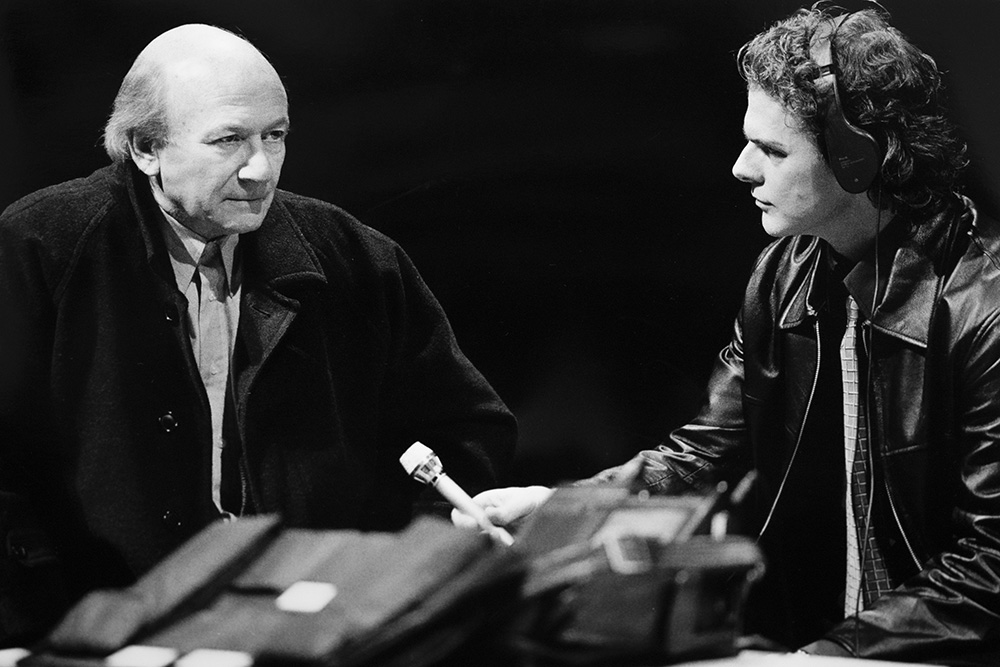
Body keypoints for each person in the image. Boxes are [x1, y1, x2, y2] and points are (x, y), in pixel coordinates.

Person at [455, 5, 1000, 663]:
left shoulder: (986, 310)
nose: (743, 168)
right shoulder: (782, 274)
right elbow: (704, 455)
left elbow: (992, 568)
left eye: (771, 149)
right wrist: (558, 508)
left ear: (857, 160)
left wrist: (820, 659)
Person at [0, 24, 515, 644]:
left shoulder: (353, 257)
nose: (260, 169)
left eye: (276, 136)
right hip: (92, 629)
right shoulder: (40, 247)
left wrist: (377, 578)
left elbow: (465, 432)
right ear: (144, 149)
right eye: (229, 141)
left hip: (311, 630)